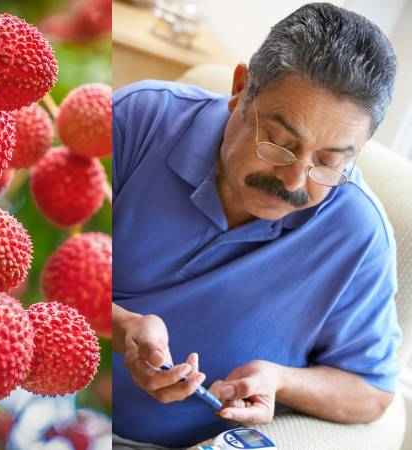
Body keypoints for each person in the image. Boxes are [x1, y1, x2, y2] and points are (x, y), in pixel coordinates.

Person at [111, 3, 401, 449]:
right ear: (241, 89)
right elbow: (37, 264)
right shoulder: (136, 121)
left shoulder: (357, 235)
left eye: (328, 162)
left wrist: (281, 381)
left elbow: (373, 392)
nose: (294, 181)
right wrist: (122, 326)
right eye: (281, 144)